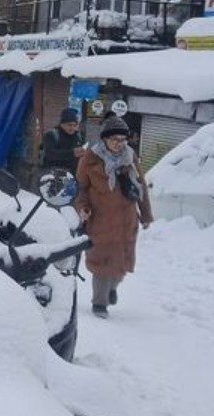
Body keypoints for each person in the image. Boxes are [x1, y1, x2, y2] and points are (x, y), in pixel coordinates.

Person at [74, 115, 154, 319]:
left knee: (120, 263)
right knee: (102, 264)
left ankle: (112, 288)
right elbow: (81, 189)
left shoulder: (130, 157)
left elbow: (141, 186)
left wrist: (146, 214)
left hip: (126, 220)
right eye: (114, 139)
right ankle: (99, 303)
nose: (119, 143)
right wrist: (83, 207)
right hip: (101, 220)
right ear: (104, 139)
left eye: (123, 139)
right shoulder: (90, 159)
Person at [41, 107, 85, 175]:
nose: (72, 128)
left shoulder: (78, 136)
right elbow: (50, 154)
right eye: (69, 125)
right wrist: (72, 153)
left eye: (74, 125)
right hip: (54, 173)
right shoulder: (52, 135)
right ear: (62, 124)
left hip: (73, 174)